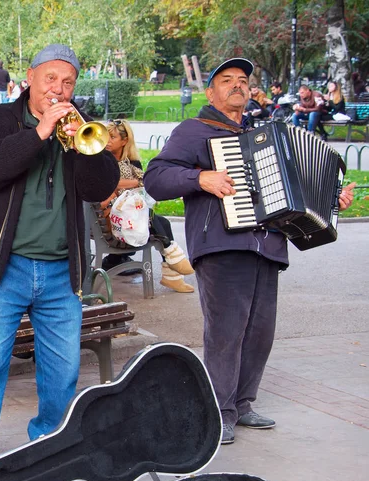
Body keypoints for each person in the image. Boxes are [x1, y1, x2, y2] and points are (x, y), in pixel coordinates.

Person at [144, 58, 355, 444]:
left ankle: (241, 403)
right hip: (222, 245)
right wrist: (200, 177)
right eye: (227, 81)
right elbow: (156, 178)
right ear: (211, 92)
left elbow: (294, 192)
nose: (237, 85)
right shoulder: (195, 131)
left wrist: (330, 200)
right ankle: (218, 410)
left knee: (259, 331)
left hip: (268, 246)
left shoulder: (264, 135)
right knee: (226, 331)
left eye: (243, 81)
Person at [0, 44, 119, 472]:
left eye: (67, 82)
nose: (58, 89)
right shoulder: (0, 120)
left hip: (62, 271)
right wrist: (40, 131)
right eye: (50, 79)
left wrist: (88, 147)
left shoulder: (78, 126)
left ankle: (49, 442)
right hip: (4, 270)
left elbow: (100, 188)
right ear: (30, 77)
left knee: (62, 371)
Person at [101, 119, 195, 293]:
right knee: (155, 221)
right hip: (114, 221)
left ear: (124, 141)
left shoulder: (132, 164)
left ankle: (172, 270)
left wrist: (128, 184)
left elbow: (145, 183)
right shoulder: (101, 160)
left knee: (160, 221)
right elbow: (110, 184)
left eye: (112, 137)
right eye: (105, 136)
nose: (107, 141)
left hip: (129, 214)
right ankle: (174, 263)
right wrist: (132, 182)